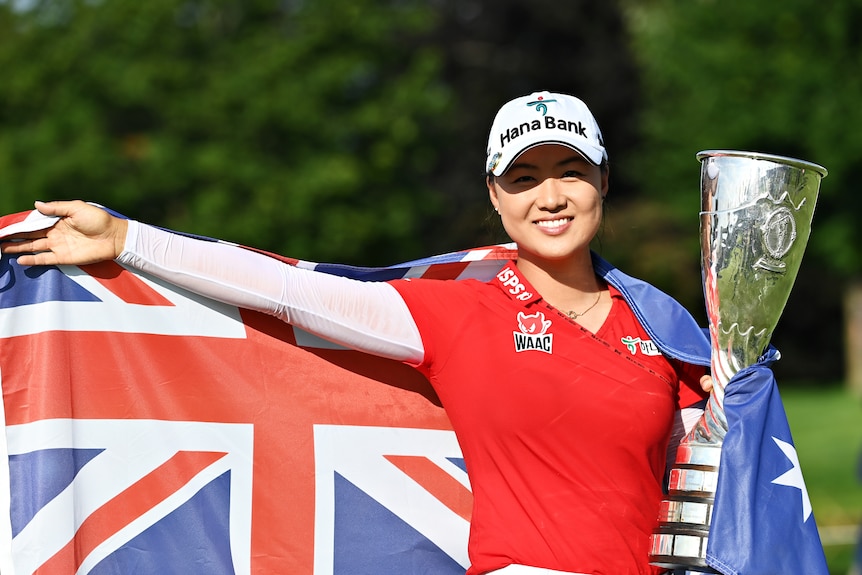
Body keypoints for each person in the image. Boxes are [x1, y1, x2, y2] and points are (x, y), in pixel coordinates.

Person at [1, 91, 713, 575]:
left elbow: (700, 494)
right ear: (495, 196)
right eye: (523, 178)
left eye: (570, 171)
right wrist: (128, 238)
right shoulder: (459, 312)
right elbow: (285, 291)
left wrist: (725, 407)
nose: (550, 195)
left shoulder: (664, 326)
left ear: (604, 181)